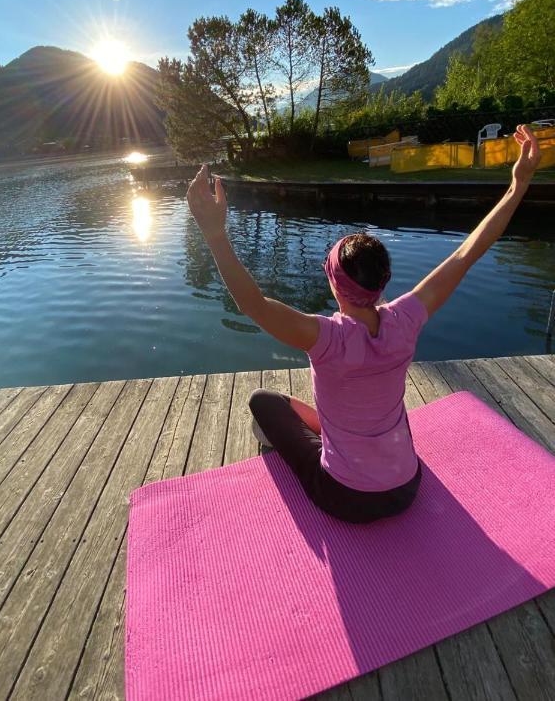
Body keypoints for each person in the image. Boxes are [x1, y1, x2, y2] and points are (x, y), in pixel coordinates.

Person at [186, 125, 541, 524]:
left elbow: (252, 304)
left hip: (345, 497)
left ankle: (326, 442)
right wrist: (518, 183)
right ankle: (337, 435)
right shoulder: (406, 318)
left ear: (333, 283)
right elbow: (465, 253)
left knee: (263, 402)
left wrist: (214, 232)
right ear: (383, 281)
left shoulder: (325, 337)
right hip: (408, 486)